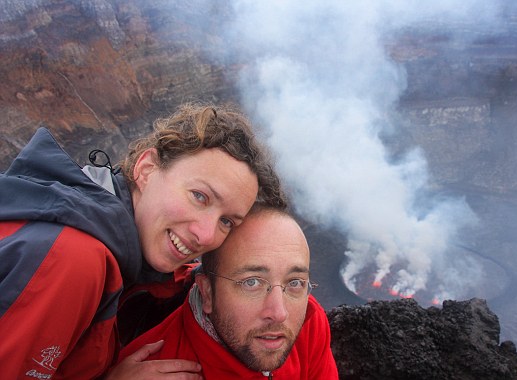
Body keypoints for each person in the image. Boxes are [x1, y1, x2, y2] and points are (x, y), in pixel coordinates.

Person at [0, 102, 286, 379]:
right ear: (146, 169)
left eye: (226, 221)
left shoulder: (119, 244)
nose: (206, 235)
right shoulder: (73, 260)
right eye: (199, 197)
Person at [115, 204, 339, 379]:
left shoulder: (309, 321)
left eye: (295, 282)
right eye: (252, 282)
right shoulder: (154, 367)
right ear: (207, 293)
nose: (279, 313)